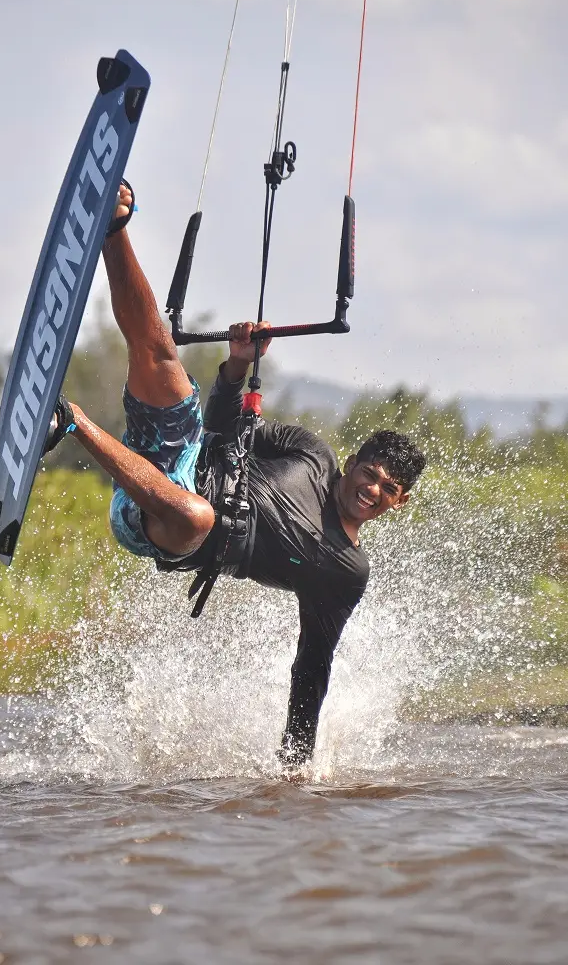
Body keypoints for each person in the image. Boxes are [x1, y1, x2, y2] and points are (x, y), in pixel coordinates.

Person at [46, 184, 426, 767]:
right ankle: (115, 225)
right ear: (351, 463)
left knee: (199, 514)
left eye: (386, 489)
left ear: (396, 504)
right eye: (368, 473)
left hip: (162, 525)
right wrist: (238, 364)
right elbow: (224, 424)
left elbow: (312, 668)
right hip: (184, 455)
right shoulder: (312, 453)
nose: (370, 489)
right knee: (162, 359)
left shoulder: (345, 572)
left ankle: (68, 422)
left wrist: (295, 767)